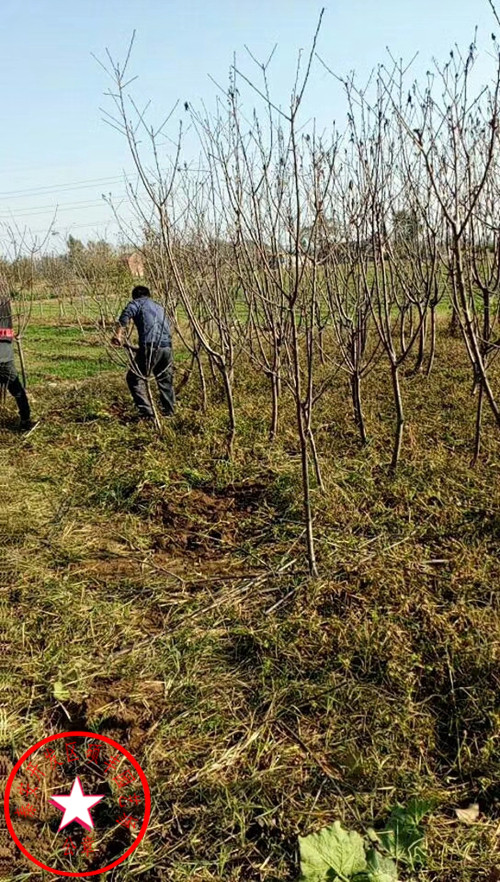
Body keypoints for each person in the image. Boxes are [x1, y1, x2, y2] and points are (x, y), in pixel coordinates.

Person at [112, 285, 175, 420]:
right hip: (167, 347)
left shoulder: (136, 304)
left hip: (150, 346)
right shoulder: (159, 306)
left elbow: (125, 317)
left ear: (135, 296)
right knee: (165, 380)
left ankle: (148, 414)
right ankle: (169, 412)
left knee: (134, 378)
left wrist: (118, 335)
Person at [0, 296, 32, 431]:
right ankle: (26, 419)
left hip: (4, 355)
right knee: (17, 389)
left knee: (16, 388)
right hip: (6, 354)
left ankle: (26, 419)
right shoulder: (4, 302)